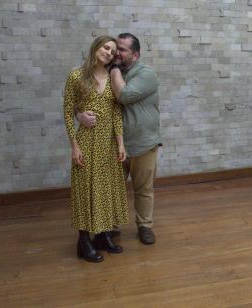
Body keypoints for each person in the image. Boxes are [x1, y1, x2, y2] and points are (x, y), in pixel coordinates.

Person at [78, 33, 161, 245]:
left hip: (143, 143)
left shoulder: (146, 74)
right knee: (111, 188)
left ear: (136, 54)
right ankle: (109, 227)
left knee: (143, 189)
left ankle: (145, 226)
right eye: (116, 49)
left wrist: (113, 69)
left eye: (122, 50)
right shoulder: (101, 74)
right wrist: (80, 115)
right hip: (111, 144)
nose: (116, 54)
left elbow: (123, 96)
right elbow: (85, 101)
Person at [63, 35, 128, 263]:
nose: (108, 53)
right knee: (85, 189)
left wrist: (120, 143)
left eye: (112, 51)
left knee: (105, 189)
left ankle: (102, 235)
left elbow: (117, 112)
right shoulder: (76, 75)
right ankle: (83, 241)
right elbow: (68, 112)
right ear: (96, 47)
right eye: (105, 47)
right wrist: (74, 146)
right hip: (86, 142)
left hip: (108, 144)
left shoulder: (112, 78)